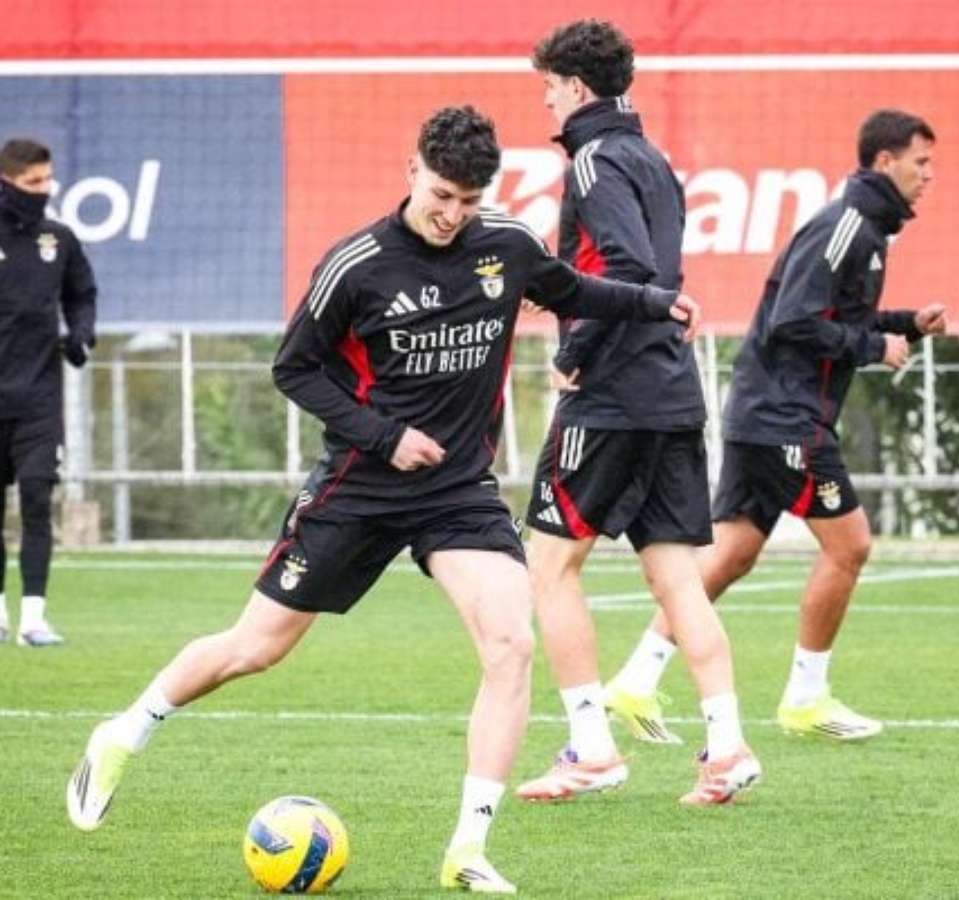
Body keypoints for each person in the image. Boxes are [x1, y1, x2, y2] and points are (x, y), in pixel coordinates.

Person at [66, 106, 701, 895]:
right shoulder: (357, 266)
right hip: (360, 485)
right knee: (255, 648)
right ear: (412, 171)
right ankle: (124, 732)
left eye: (468, 201)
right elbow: (293, 369)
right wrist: (384, 435)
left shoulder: (505, 246)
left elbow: (569, 289)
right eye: (441, 195)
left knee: (511, 644)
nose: (452, 214)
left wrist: (655, 302)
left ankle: (468, 849)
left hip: (458, 492)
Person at [608, 109, 947, 742]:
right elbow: (794, 321)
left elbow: (833, 318)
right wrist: (874, 348)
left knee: (730, 555)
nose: (930, 175)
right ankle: (806, 698)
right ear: (885, 161)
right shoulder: (847, 227)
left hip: (764, 414)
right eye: (921, 162)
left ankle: (635, 680)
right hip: (787, 419)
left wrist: (905, 325)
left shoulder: (865, 228)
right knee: (850, 546)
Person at [515, 19, 760, 807]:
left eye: (549, 87)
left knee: (549, 566)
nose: (546, 102)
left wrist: (575, 353)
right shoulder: (652, 158)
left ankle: (592, 749)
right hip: (670, 392)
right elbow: (651, 275)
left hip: (612, 396)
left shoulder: (593, 159)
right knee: (675, 578)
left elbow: (629, 269)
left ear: (576, 87)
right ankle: (727, 748)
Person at [0, 138, 96, 648]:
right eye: (32, 182)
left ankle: (33, 618)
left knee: (37, 497)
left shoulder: (59, 239)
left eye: (47, 180)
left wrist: (81, 333)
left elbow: (82, 295)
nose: (43, 189)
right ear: (7, 183)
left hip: (39, 397)